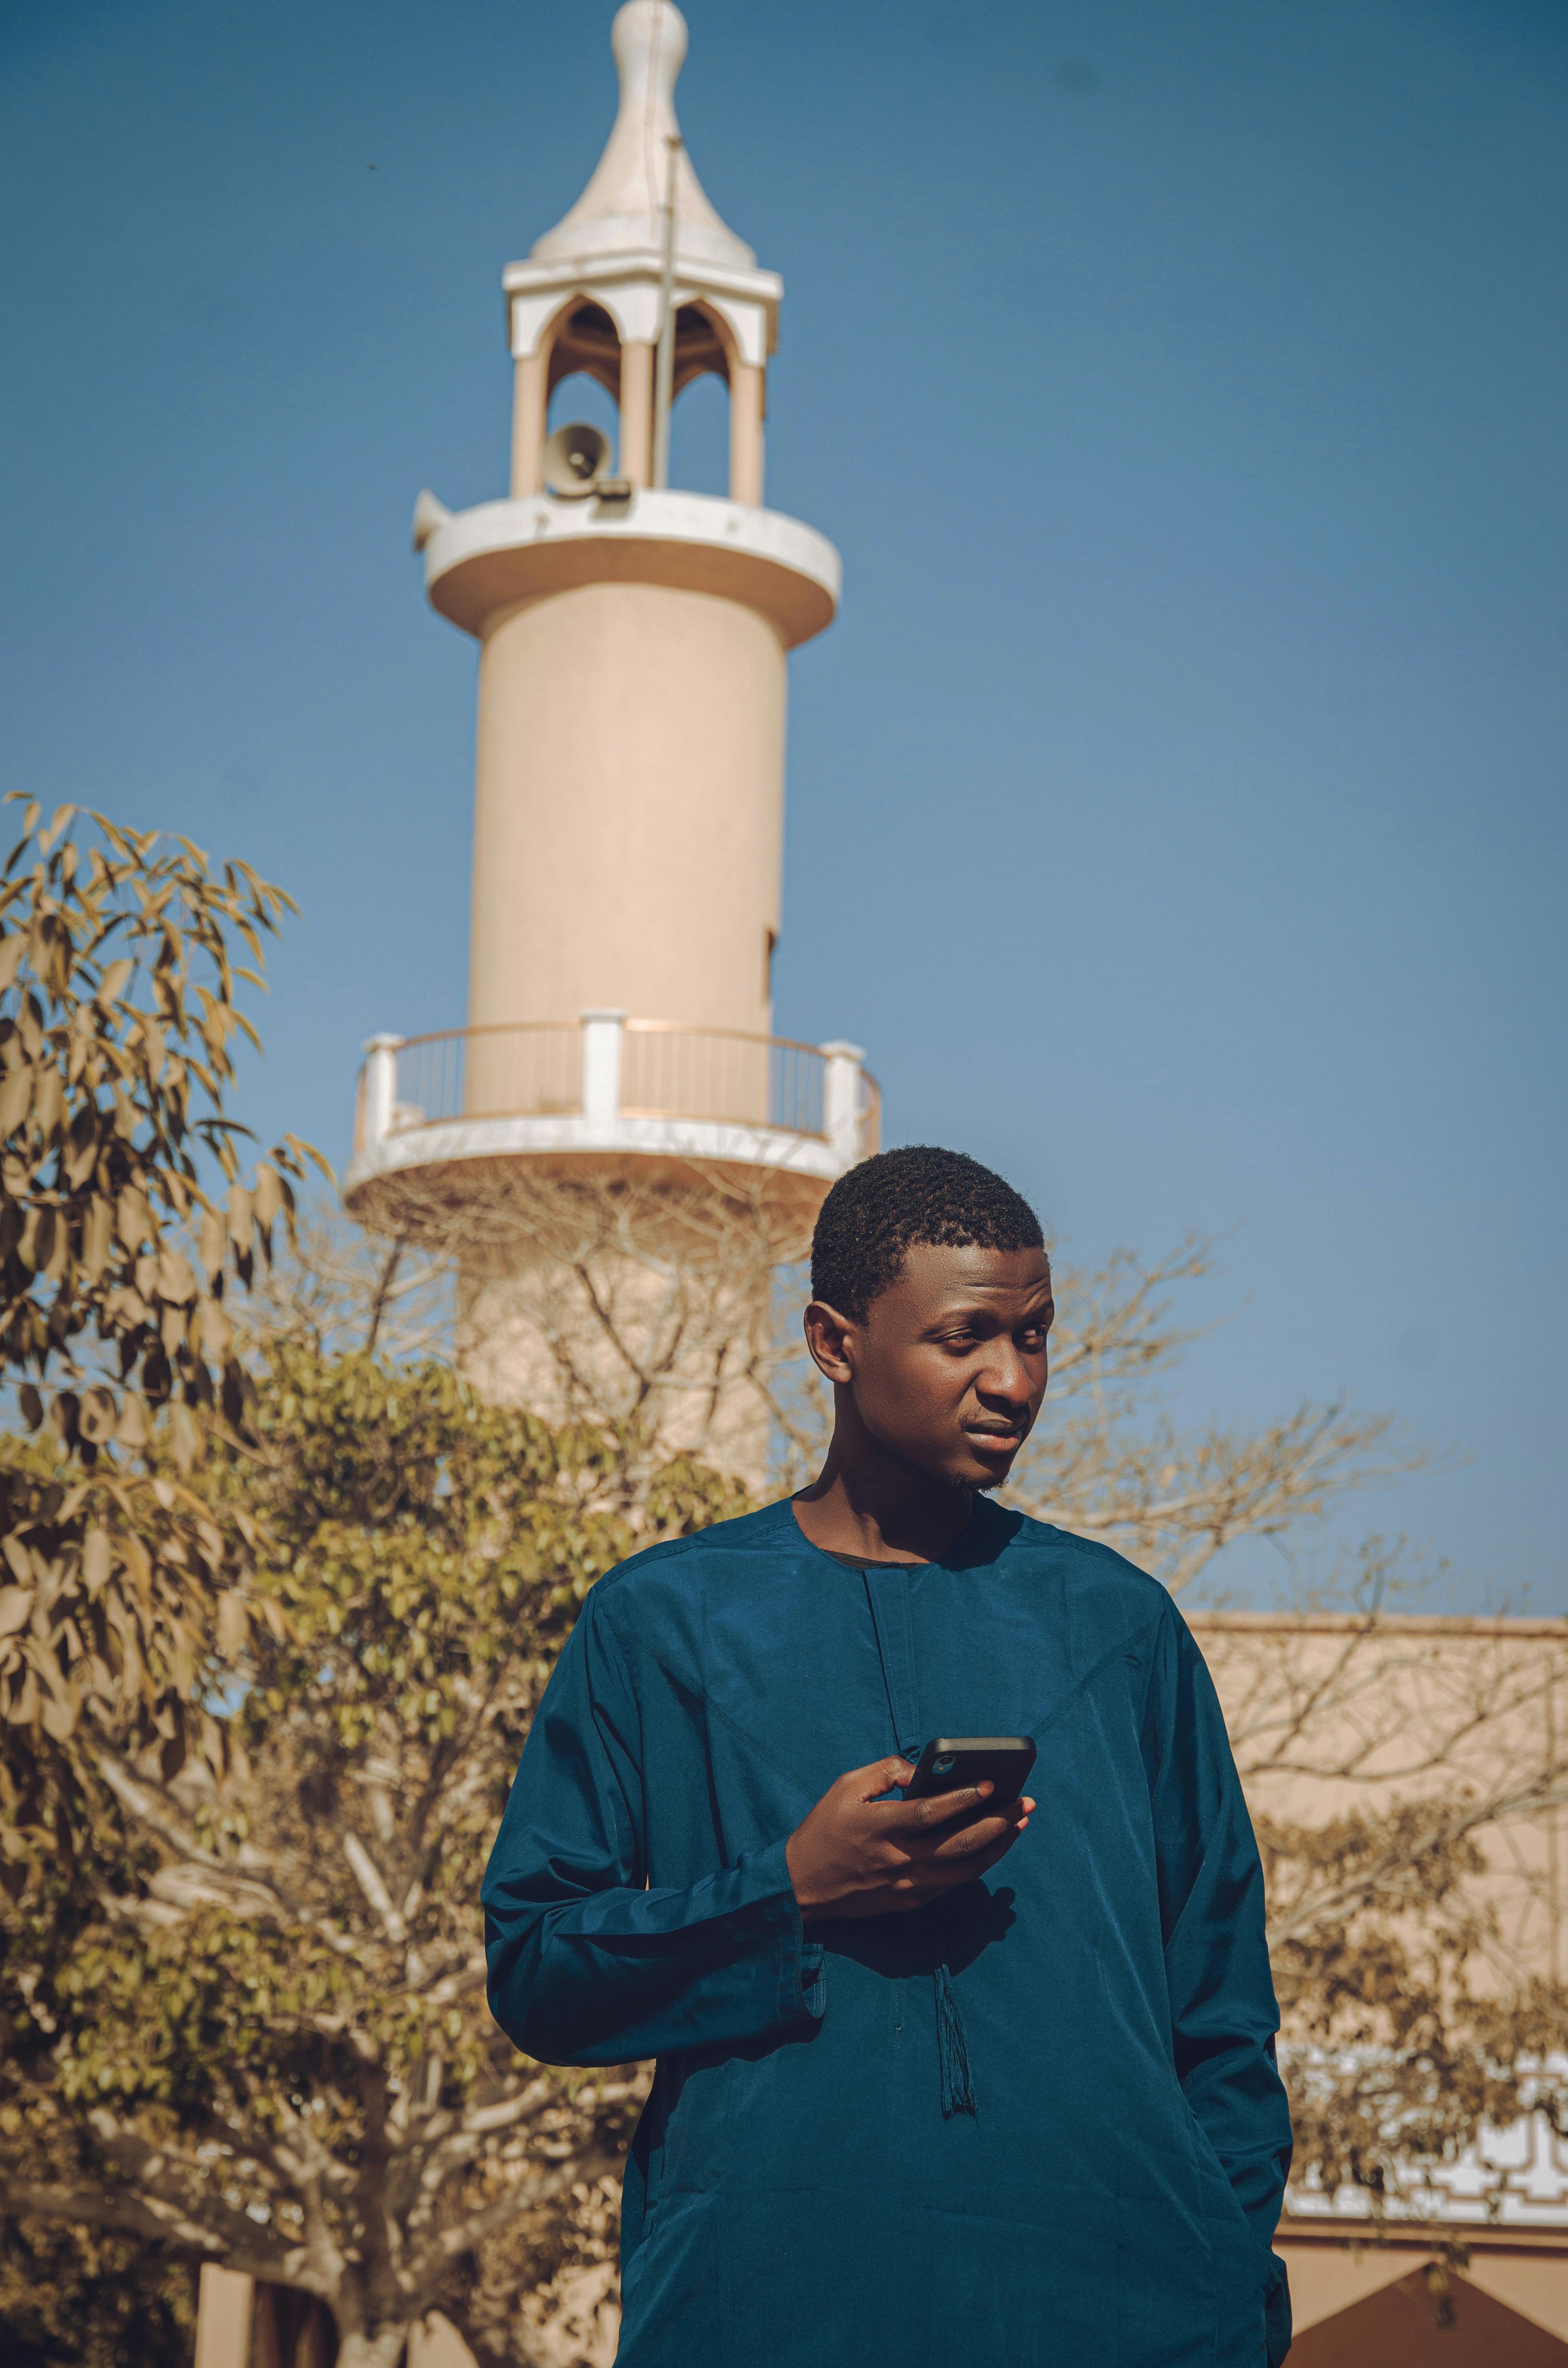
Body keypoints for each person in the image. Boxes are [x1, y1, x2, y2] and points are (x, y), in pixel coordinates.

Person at [483, 1146, 1293, 2367]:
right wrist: (790, 1890)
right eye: (965, 1337)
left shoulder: (1122, 1626)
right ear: (833, 1340)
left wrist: (1225, 2271)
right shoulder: (666, 1619)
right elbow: (538, 1967)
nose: (1012, 1380)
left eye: (1034, 1336)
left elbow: (1221, 2007)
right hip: (770, 2305)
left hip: (1126, 2311)